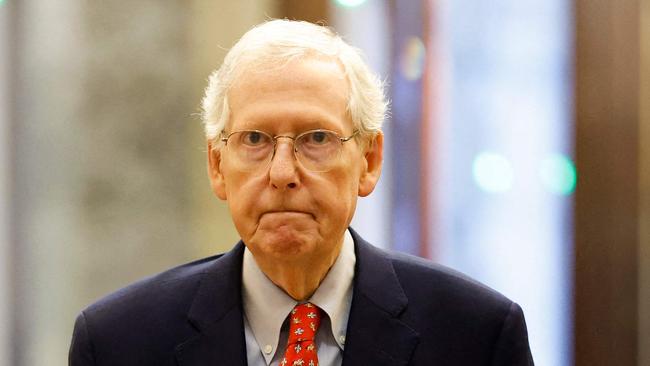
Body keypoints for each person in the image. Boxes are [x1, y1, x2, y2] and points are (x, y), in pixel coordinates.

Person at [69, 19, 534, 365]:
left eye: (316, 138)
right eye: (254, 139)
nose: (282, 173)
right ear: (216, 166)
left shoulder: (476, 335)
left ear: (368, 162)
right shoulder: (117, 342)